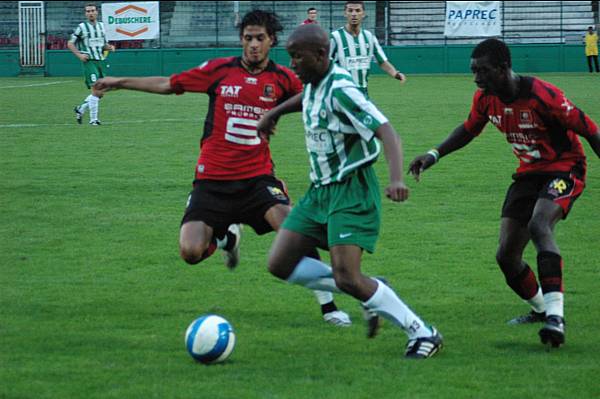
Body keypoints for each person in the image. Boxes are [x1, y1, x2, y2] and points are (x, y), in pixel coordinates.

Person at [93, 10, 350, 327]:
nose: (253, 45)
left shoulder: (283, 78)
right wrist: (120, 82)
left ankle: (330, 307)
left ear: (271, 41)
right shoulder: (219, 70)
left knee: (295, 232)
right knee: (190, 252)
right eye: (248, 38)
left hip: (258, 181)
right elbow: (169, 84)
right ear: (241, 39)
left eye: (260, 38)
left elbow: (315, 96)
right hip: (211, 183)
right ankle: (226, 240)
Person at [257, 24, 443, 359]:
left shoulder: (343, 87)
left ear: (321, 55)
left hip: (351, 190)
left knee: (347, 277)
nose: (293, 63)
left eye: (298, 57)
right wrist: (275, 111)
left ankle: (422, 332)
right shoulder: (314, 82)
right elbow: (309, 98)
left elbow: (387, 131)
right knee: (279, 263)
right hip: (319, 192)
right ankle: (372, 288)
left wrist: (396, 178)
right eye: (290, 56)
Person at [408, 38, 600, 348]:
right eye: (473, 71)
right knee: (506, 256)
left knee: (540, 225)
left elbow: (590, 130)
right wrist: (433, 154)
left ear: (503, 68)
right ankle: (540, 310)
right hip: (528, 175)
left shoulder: (544, 96)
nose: (477, 79)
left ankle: (556, 317)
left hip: (565, 168)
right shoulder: (485, 99)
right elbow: (469, 128)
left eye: (482, 71)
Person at [329, 1, 405, 95]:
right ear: (345, 13)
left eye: (357, 10)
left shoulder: (369, 37)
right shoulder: (335, 37)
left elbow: (382, 61)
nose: (354, 14)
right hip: (342, 92)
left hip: (363, 92)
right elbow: (323, 63)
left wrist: (395, 74)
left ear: (363, 14)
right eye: (350, 10)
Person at [68, 3, 115, 126]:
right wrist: (79, 55)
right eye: (88, 11)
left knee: (101, 93)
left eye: (92, 10)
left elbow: (103, 45)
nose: (90, 13)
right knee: (96, 89)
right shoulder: (82, 27)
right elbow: (70, 43)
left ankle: (81, 109)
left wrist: (109, 47)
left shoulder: (101, 26)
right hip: (89, 61)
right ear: (85, 13)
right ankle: (93, 120)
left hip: (101, 61)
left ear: (97, 12)